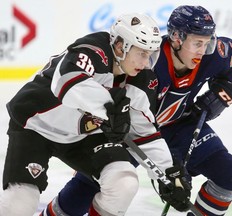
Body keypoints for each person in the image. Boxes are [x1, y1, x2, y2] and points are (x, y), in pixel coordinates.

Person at [39, 5, 232, 216]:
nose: (203, 51)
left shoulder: (214, 55)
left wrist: (221, 91)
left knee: (229, 172)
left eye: (208, 42)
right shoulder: (146, 60)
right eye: (197, 43)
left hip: (179, 126)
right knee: (88, 187)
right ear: (177, 38)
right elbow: (105, 98)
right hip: (133, 130)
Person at [0, 13, 192, 216]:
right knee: (19, 203)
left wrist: (168, 174)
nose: (146, 63)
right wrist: (110, 107)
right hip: (35, 126)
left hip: (85, 135)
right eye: (142, 53)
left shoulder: (141, 81)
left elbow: (145, 133)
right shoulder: (93, 49)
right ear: (120, 46)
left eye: (151, 55)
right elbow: (66, 83)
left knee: (124, 182)